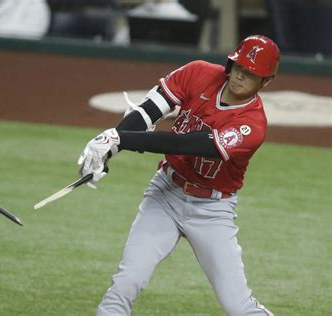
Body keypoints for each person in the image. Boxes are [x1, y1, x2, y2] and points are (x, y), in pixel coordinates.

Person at [77, 35, 280, 315]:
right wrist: (106, 152)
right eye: (238, 67)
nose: (239, 77)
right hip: (165, 194)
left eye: (250, 74)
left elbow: (185, 143)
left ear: (265, 82)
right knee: (126, 283)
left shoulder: (251, 125)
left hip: (212, 211)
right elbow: (148, 111)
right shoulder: (197, 72)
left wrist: (119, 138)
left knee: (238, 306)